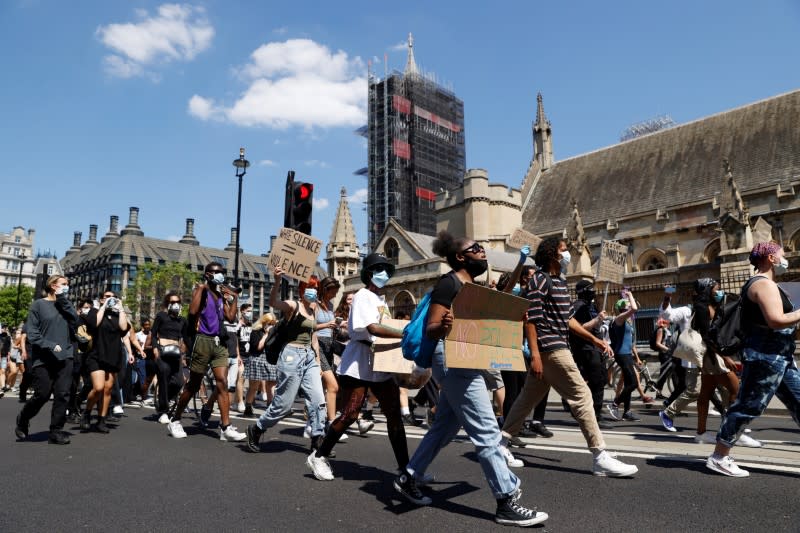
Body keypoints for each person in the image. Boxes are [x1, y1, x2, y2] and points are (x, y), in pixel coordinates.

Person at [399, 231, 548, 527]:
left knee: (443, 427)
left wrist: (520, 262)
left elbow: (505, 293)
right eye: (476, 248)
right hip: (452, 359)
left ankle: (409, 476)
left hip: (467, 357)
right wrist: (445, 325)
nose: (483, 252)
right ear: (460, 257)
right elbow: (431, 329)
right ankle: (506, 500)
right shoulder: (449, 283)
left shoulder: (472, 285)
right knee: (486, 430)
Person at [501, 236, 638, 478]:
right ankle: (599, 455)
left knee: (526, 400)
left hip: (556, 346)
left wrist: (594, 339)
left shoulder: (560, 283)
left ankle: (499, 445)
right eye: (564, 251)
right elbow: (530, 319)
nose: (568, 256)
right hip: (550, 349)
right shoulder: (539, 280)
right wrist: (535, 355)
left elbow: (567, 319)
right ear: (554, 254)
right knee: (582, 395)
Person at [307, 254, 413, 483]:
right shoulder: (364, 296)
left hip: (379, 360)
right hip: (359, 361)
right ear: (368, 273)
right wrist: (404, 333)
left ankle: (407, 468)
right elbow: (373, 328)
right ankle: (319, 455)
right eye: (379, 269)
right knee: (351, 413)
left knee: (394, 413)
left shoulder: (380, 299)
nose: (384, 273)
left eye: (386, 269)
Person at [707, 242, 800, 477]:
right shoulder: (762, 284)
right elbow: (776, 320)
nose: (785, 258)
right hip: (766, 357)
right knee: (749, 406)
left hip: (780, 356)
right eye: (782, 254)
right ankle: (719, 456)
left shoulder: (770, 285)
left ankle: (720, 454)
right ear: (770, 257)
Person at [245, 270, 326, 454]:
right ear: (302, 290)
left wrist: (318, 362)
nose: (313, 291)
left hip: (309, 357)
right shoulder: (293, 306)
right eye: (310, 287)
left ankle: (317, 440)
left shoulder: (314, 309)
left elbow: (313, 337)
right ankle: (257, 428)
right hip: (291, 356)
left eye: (315, 287)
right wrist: (277, 281)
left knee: (318, 400)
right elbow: (274, 303)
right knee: (283, 404)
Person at [166, 262, 245, 442]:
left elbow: (230, 317)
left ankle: (225, 427)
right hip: (202, 340)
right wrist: (201, 289)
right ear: (208, 274)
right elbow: (193, 311)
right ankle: (176, 419)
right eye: (217, 272)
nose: (221, 275)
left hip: (219, 343)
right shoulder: (202, 291)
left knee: (222, 383)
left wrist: (234, 298)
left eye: (222, 272)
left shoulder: (218, 295)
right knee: (194, 384)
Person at [690, 279, 761, 447]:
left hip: (712, 356)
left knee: (705, 393)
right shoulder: (702, 307)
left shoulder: (708, 305)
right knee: (736, 390)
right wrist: (725, 357)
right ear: (707, 290)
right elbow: (708, 337)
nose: (718, 292)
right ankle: (734, 432)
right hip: (713, 356)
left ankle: (701, 434)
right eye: (716, 289)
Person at [15, 275, 79, 445]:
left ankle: (56, 431)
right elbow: (33, 333)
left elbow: (75, 320)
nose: (67, 287)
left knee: (62, 394)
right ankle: (23, 418)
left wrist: (63, 299)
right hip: (43, 357)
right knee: (42, 394)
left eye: (67, 285)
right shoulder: (38, 305)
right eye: (63, 284)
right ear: (52, 286)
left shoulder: (66, 304)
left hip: (66, 356)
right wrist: (49, 345)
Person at [80, 290, 130, 433]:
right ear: (101, 299)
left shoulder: (118, 314)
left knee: (108, 389)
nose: (110, 299)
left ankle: (101, 420)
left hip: (113, 356)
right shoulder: (93, 312)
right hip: (96, 355)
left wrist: (120, 308)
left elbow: (123, 328)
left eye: (113, 297)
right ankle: (87, 413)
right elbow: (95, 323)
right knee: (98, 387)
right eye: (107, 297)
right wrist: (103, 307)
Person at [569, 280, 613, 430]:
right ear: (582, 291)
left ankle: (589, 412)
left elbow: (595, 329)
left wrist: (604, 342)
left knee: (600, 380)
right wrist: (596, 320)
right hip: (585, 349)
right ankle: (595, 416)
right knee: (595, 382)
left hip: (596, 347)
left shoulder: (591, 305)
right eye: (589, 289)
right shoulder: (578, 307)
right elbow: (578, 328)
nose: (593, 291)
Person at [147, 292, 189, 424]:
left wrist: (191, 351)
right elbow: (153, 334)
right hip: (161, 352)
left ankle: (164, 400)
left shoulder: (182, 320)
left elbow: (186, 338)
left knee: (179, 383)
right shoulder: (161, 316)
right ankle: (163, 411)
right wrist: (154, 349)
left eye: (178, 302)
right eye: (172, 302)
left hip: (176, 354)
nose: (175, 304)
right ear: (168, 304)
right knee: (164, 376)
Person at [314, 277, 345, 436]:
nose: (335, 294)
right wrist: (327, 325)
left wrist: (339, 325)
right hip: (317, 345)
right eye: (333, 291)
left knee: (321, 388)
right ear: (325, 289)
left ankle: (313, 423)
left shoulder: (331, 305)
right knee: (333, 386)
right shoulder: (314, 305)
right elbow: (309, 327)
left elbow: (331, 326)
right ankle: (332, 424)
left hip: (329, 346)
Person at [607, 290, 643, 422]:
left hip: (626, 354)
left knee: (629, 383)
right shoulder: (619, 318)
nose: (630, 307)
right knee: (633, 383)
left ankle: (627, 412)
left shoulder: (626, 321)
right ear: (623, 308)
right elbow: (634, 308)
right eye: (627, 306)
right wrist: (630, 295)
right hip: (622, 355)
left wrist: (635, 356)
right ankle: (615, 404)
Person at [243, 313, 278, 417]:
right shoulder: (256, 332)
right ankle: (248, 407)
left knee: (271, 384)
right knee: (254, 386)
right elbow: (258, 347)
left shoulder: (274, 333)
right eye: (269, 323)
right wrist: (266, 335)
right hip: (257, 360)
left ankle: (270, 407)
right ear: (263, 322)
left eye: (273, 323)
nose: (271, 325)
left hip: (269, 360)